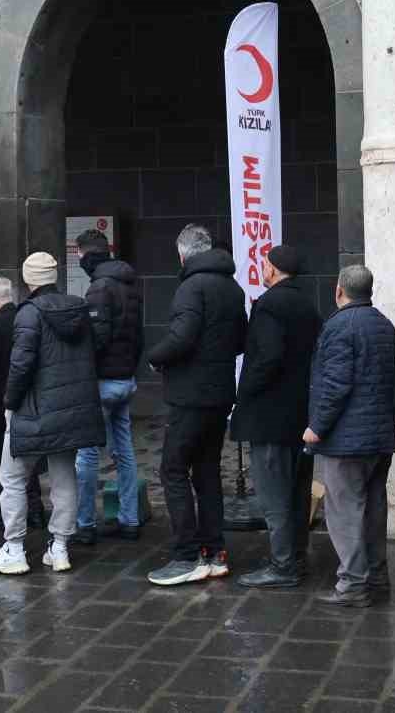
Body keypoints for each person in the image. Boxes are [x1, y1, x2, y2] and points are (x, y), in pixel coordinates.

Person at [0, 252, 105, 576]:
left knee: (11, 478)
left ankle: (15, 548)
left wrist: (9, 402)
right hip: (71, 410)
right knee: (64, 478)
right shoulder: (79, 307)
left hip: (34, 410)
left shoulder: (29, 314)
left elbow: (20, 365)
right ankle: (60, 547)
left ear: (28, 279)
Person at [144, 224, 246, 586]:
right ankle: (214, 551)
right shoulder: (231, 287)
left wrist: (156, 358)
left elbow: (181, 337)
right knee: (206, 471)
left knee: (172, 470)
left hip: (190, 395)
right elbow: (239, 341)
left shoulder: (191, 286)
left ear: (184, 253)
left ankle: (186, 554)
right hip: (219, 394)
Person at [305, 265, 395, 609]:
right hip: (379, 437)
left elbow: (336, 385)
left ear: (339, 290)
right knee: (373, 507)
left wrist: (316, 427)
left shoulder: (339, 327)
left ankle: (353, 584)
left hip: (346, 440)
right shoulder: (384, 325)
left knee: (344, 510)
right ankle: (376, 574)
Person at [231, 245, 322, 589]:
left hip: (270, 414)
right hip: (299, 413)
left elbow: (267, 358)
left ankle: (283, 565)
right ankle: (295, 557)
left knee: (274, 494)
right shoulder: (306, 305)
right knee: (297, 491)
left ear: (274, 270)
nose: (262, 269)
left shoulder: (270, 305)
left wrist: (245, 393)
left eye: (265, 264)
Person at [73, 229, 143, 545]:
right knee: (124, 450)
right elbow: (138, 336)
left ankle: (84, 523)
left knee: (87, 454)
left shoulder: (99, 287)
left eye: (78, 254)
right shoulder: (129, 285)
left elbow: (96, 338)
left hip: (102, 382)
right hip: (125, 379)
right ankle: (130, 520)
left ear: (86, 254)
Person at [0, 276, 40, 530]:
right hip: (27, 396)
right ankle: (36, 509)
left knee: (1, 460)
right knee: (28, 456)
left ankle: (0, 513)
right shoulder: (23, 317)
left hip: (2, 398)